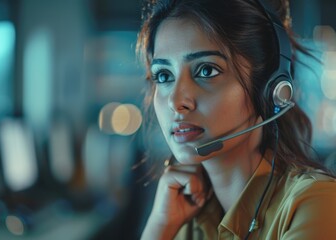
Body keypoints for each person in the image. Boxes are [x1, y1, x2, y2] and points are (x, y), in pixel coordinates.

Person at [136, 0, 336, 239]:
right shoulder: (183, 217)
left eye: (206, 71)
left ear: (268, 87)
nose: (176, 101)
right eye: (164, 75)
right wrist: (160, 226)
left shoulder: (315, 204)